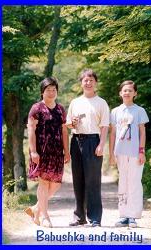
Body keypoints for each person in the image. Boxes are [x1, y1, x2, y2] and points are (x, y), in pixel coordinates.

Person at [24, 77, 70, 228]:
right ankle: (45, 216)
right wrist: (33, 151)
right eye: (48, 90)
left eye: (54, 90)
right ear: (42, 92)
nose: (51, 92)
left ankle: (36, 208)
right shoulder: (36, 108)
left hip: (57, 152)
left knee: (55, 184)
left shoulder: (60, 109)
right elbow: (31, 129)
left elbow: (64, 131)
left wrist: (67, 151)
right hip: (41, 151)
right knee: (43, 182)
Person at [66, 69, 109, 227]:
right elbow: (68, 124)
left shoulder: (101, 102)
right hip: (76, 141)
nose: (88, 83)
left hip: (93, 141)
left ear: (95, 82)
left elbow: (105, 126)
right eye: (85, 80)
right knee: (77, 180)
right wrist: (73, 123)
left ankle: (95, 218)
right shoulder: (75, 102)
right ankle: (79, 216)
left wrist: (101, 145)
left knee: (93, 180)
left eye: (91, 80)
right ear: (81, 83)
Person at [109, 80, 149, 228]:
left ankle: (133, 216)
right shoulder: (115, 111)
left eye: (130, 90)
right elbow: (112, 133)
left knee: (134, 182)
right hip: (120, 152)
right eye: (124, 90)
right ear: (120, 93)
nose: (127, 93)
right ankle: (124, 215)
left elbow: (142, 132)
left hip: (134, 153)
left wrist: (141, 151)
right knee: (123, 183)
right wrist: (112, 154)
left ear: (135, 93)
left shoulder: (139, 111)